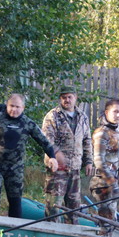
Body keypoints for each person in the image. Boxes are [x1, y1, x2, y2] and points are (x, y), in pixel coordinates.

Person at [0, 94, 58, 218]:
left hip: (15, 168)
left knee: (15, 200)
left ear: (23, 108)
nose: (14, 109)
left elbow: (43, 141)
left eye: (17, 107)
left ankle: (14, 227)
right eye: (11, 106)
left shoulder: (27, 123)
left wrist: (52, 157)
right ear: (6, 106)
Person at [41, 86, 93, 223]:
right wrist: (56, 155)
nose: (67, 100)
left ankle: (71, 231)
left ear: (75, 98)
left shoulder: (82, 117)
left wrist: (88, 161)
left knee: (73, 208)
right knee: (53, 207)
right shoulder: (53, 116)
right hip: (57, 169)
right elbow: (46, 140)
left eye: (70, 97)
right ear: (60, 99)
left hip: (75, 168)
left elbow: (87, 140)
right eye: (64, 97)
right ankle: (51, 231)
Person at [89, 99, 119, 220]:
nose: (118, 115)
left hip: (112, 180)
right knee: (106, 219)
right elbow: (99, 161)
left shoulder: (116, 133)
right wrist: (112, 183)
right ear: (106, 112)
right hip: (102, 183)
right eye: (115, 111)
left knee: (111, 217)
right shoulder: (102, 133)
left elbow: (116, 159)